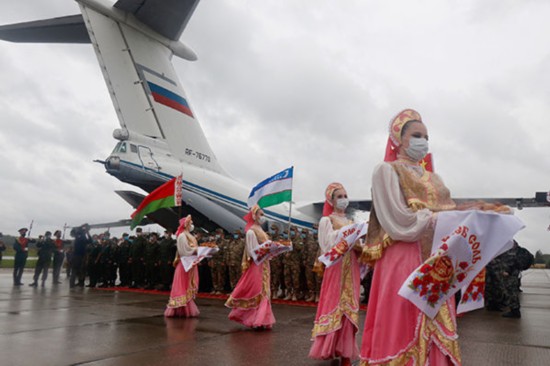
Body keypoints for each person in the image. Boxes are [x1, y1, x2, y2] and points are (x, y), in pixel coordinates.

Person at [359, 109, 460, 365]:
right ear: (398, 138)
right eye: (416, 135)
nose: (423, 141)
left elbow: (449, 213)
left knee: (436, 318)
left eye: (426, 136)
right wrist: (431, 217)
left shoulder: (433, 177)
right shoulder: (386, 170)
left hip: (435, 258)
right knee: (403, 318)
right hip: (403, 255)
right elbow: (397, 221)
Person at [309, 183, 362, 365]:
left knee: (349, 307)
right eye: (339, 196)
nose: (343, 199)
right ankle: (330, 348)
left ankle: (345, 352)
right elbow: (326, 245)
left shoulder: (351, 222)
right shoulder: (326, 220)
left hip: (351, 268)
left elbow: (357, 243)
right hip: (336, 268)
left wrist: (359, 243)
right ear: (330, 200)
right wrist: (347, 234)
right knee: (335, 304)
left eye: (345, 195)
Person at [225, 206, 275, 329]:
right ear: (254, 216)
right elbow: (253, 251)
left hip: (264, 264)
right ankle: (255, 318)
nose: (262, 217)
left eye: (263, 214)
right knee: (256, 290)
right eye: (261, 214)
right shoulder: (251, 231)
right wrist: (266, 248)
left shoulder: (261, 230)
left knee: (265, 291)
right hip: (256, 264)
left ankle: (262, 318)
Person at [164, 215, 200, 317]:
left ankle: (185, 307)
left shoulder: (189, 235)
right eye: (190, 223)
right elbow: (184, 251)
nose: (192, 225)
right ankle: (178, 308)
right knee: (182, 285)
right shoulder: (182, 236)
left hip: (191, 263)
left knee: (187, 285)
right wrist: (196, 250)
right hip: (185, 264)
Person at [70, 224, 91, 288]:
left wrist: (81, 227)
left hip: (76, 255)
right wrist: (87, 233)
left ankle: (73, 284)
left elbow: (73, 232)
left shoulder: (77, 236)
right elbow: (90, 241)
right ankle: (80, 283)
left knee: (75, 270)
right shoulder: (83, 237)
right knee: (81, 270)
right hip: (81, 256)